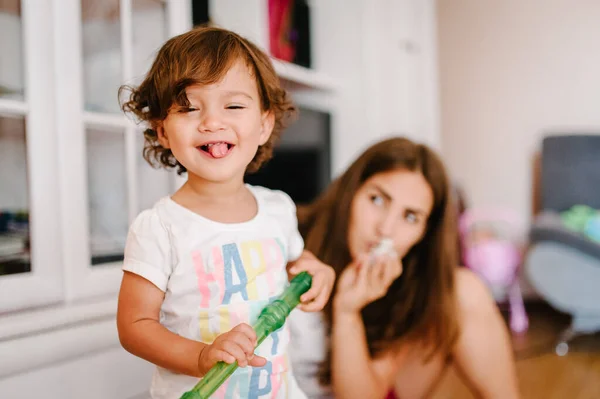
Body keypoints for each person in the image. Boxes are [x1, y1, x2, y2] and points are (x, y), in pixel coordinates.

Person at [116, 26, 335, 399]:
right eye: (188, 107)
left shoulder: (277, 209)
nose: (212, 122)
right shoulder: (160, 227)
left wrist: (318, 271)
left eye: (233, 106)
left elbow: (295, 264)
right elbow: (135, 326)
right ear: (163, 132)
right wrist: (201, 355)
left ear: (265, 123)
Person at [288, 137, 519, 399]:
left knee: (465, 290)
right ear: (351, 191)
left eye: (410, 217)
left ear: (424, 233)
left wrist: (348, 312)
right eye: (376, 200)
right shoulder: (286, 232)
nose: (385, 229)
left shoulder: (411, 282)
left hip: (359, 388)